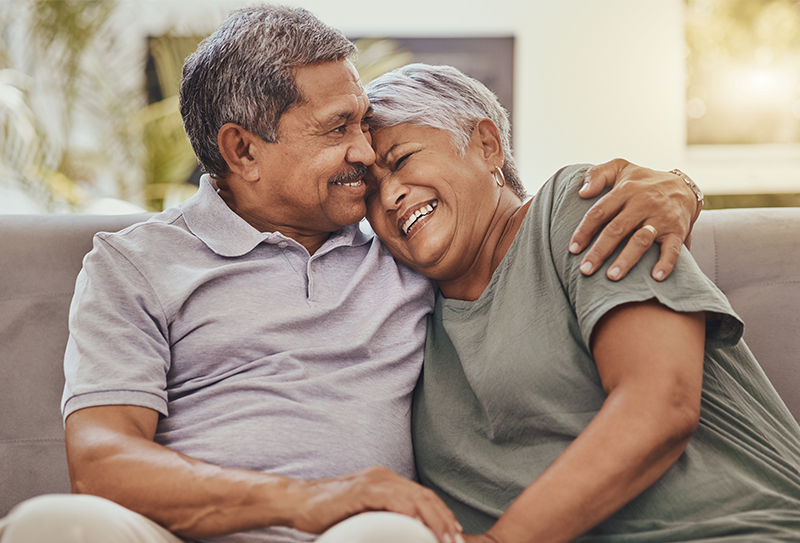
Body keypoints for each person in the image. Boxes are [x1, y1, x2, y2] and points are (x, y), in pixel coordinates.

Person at [0, 6, 702, 543]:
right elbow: (100, 457)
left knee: (384, 533)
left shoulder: (401, 245)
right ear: (242, 150)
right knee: (52, 523)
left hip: (362, 532)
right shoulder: (135, 264)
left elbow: (502, 225)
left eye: (365, 124)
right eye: (338, 129)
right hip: (181, 532)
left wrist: (676, 185)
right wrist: (308, 496)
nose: (367, 151)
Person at [362, 62, 800, 543]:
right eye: (370, 190)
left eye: (401, 161)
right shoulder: (403, 312)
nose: (390, 196)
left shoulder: (577, 207)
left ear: (486, 145)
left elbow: (662, 405)